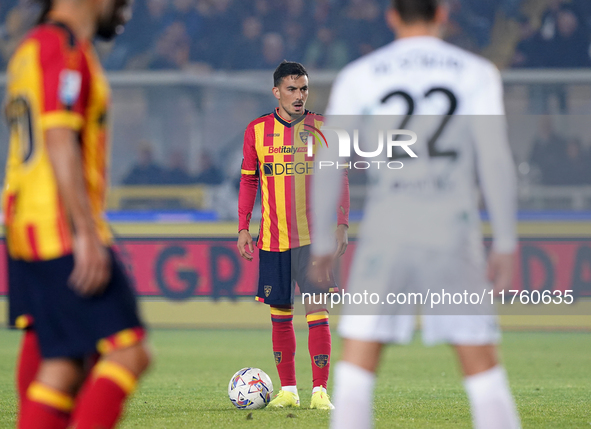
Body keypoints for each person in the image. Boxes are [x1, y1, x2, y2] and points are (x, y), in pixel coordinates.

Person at [310, 1, 521, 428]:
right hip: (453, 230)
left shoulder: (360, 76)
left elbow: (328, 163)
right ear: (443, 12)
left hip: (390, 228)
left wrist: (319, 244)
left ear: (392, 15)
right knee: (482, 367)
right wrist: (505, 241)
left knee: (356, 370)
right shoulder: (476, 73)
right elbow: (496, 160)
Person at [3, 1, 151, 428]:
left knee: (63, 363)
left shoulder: (33, 46)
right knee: (128, 351)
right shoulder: (63, 48)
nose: (127, 7)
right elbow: (59, 138)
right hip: (59, 227)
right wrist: (85, 233)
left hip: (28, 225)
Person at [237, 60, 350, 410]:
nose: (299, 96)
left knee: (318, 312)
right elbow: (249, 180)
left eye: (303, 88)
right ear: (277, 92)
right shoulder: (256, 130)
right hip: (272, 240)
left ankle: (320, 392)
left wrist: (342, 223)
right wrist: (243, 226)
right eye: (291, 89)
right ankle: (288, 390)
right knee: (280, 315)